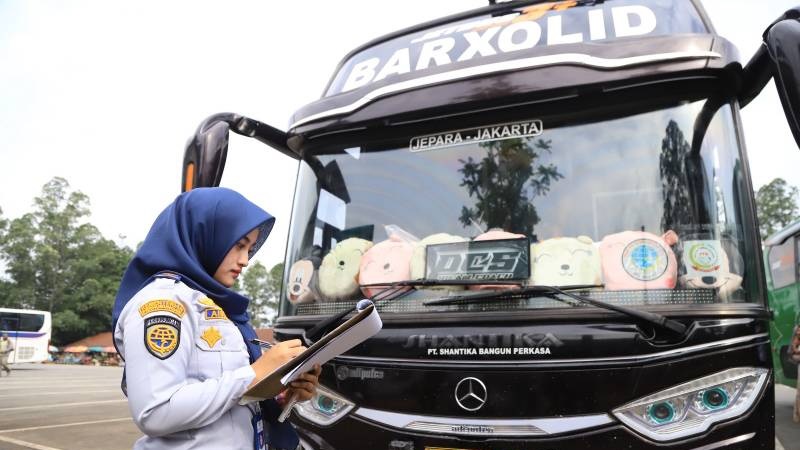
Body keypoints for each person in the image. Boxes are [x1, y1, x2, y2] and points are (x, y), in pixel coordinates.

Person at [112, 187, 320, 450]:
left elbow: (227, 399)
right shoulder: (162, 305)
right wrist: (254, 375)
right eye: (239, 245)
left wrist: (282, 395)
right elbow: (155, 411)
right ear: (204, 234)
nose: (245, 260)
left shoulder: (216, 307)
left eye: (250, 248)